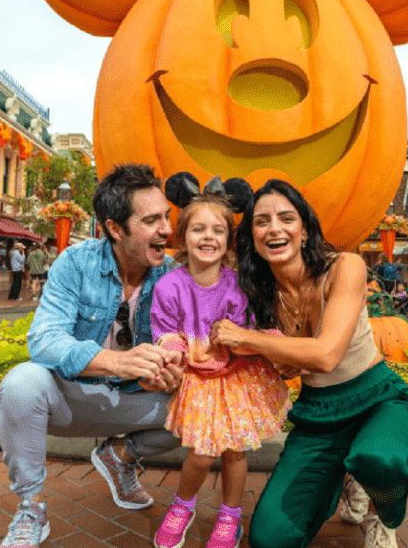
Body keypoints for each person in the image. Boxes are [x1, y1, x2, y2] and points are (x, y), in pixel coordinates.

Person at [211, 180, 408, 548]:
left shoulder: (346, 266)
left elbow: (326, 355)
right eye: (261, 222)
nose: (274, 228)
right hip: (318, 417)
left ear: (305, 230)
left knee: (381, 460)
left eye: (286, 218)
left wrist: (247, 339)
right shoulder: (258, 296)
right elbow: (286, 364)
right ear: (252, 237)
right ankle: (345, 475)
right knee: (268, 538)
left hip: (378, 400)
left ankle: (383, 514)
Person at [0, 164, 184, 548]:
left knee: (203, 405)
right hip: (73, 401)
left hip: (135, 402)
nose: (166, 229)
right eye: (151, 220)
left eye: (166, 216)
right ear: (116, 229)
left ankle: (119, 456)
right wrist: (116, 360)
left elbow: (179, 345)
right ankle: (31, 507)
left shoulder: (173, 275)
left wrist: (174, 371)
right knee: (21, 383)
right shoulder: (76, 262)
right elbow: (44, 340)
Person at [151, 192, 290, 548]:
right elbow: (166, 331)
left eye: (217, 230)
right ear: (182, 237)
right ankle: (183, 506)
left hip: (237, 374)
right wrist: (174, 355)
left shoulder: (237, 284)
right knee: (200, 452)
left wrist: (249, 339)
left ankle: (230, 514)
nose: (208, 237)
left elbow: (252, 332)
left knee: (235, 450)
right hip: (199, 377)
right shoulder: (170, 286)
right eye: (198, 229)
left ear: (228, 240)